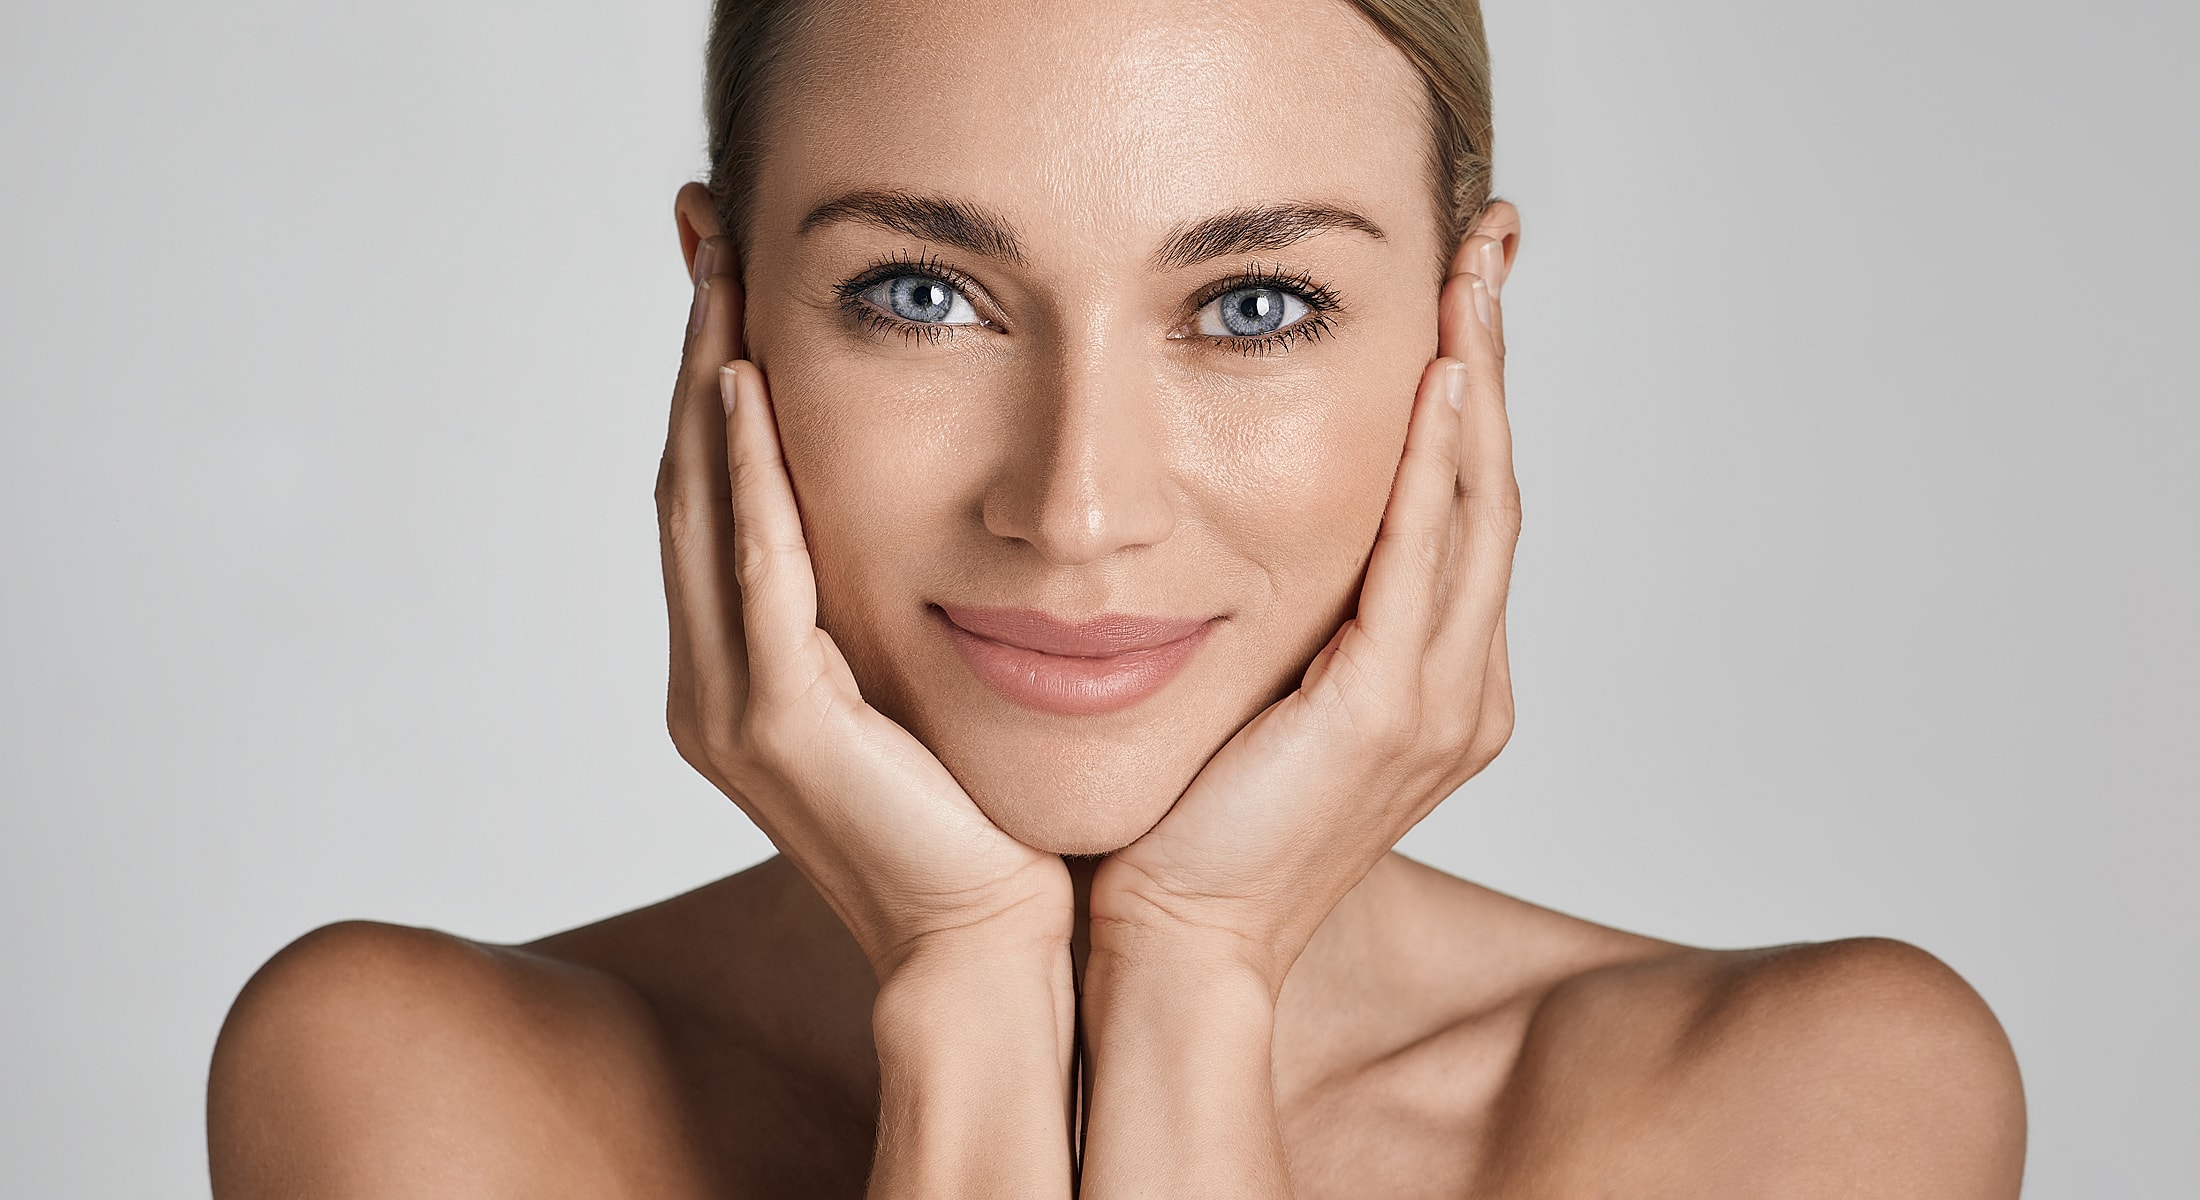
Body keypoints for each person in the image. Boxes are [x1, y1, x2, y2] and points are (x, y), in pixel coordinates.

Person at [205, 0, 2027, 1194]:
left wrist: (1195, 976)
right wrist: (969, 1002)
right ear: (723, 307)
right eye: (921, 293)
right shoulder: (416, 1100)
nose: (1075, 509)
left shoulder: (1815, 1114)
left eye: (1253, 307)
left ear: (1466, 340)